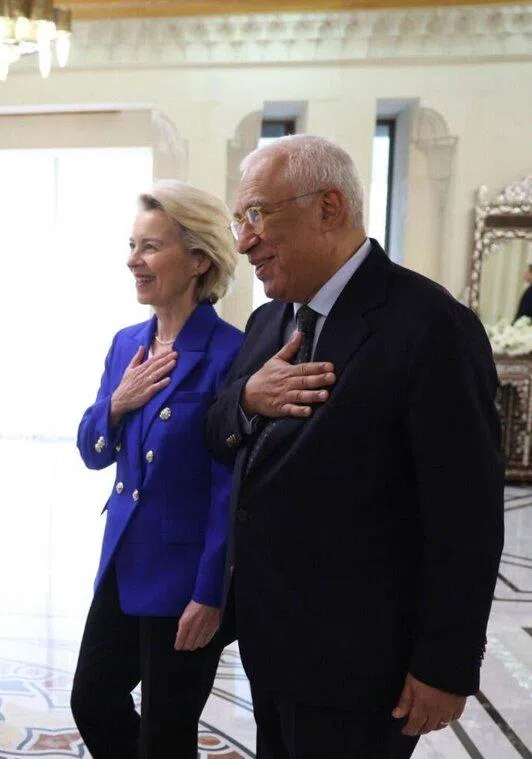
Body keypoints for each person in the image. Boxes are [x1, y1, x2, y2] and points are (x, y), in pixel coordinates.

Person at [205, 134, 504, 759]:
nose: (243, 242)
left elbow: (465, 517)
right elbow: (220, 434)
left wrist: (445, 665)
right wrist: (248, 400)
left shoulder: (430, 326)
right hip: (271, 646)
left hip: (363, 668)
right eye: (240, 220)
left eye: (257, 214)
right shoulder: (270, 321)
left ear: (328, 207)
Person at [71, 180, 244, 758]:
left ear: (199, 259)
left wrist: (211, 592)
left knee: (167, 733)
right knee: (92, 700)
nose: (133, 260)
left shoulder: (231, 354)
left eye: (150, 247)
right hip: (124, 563)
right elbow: (92, 450)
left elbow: (230, 487)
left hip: (185, 579)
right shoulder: (127, 344)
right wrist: (117, 404)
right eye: (132, 245)